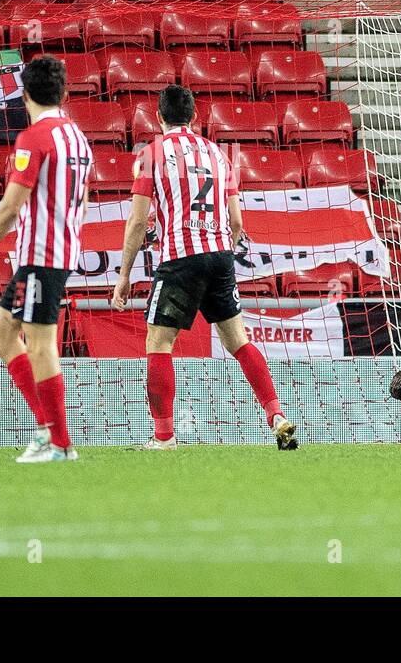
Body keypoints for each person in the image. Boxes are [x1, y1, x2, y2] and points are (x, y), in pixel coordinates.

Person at [111, 84, 298, 450]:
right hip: (220, 255)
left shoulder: (152, 154)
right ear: (195, 117)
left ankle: (164, 437)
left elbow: (135, 223)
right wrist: (218, 252)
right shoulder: (219, 154)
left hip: (180, 258)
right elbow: (237, 221)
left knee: (159, 343)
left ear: (159, 117)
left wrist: (122, 277)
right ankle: (276, 413)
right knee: (238, 341)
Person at [0, 55, 92, 463]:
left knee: (40, 343)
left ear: (25, 94)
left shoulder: (34, 139)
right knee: (0, 333)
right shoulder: (78, 139)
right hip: (60, 251)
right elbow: (82, 202)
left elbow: (10, 209)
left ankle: (59, 441)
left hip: (42, 255)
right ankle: (49, 432)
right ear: (64, 93)